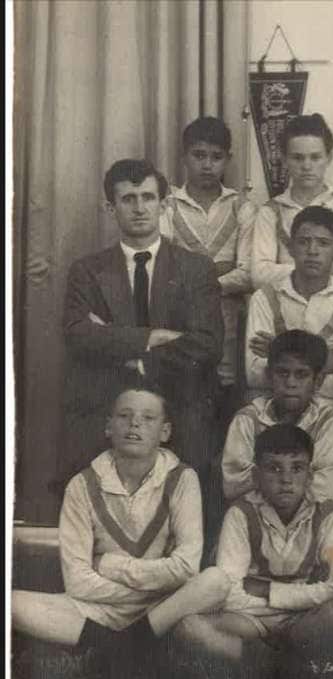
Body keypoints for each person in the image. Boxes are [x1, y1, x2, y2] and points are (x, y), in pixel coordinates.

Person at [13, 387, 221, 667]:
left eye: (148, 418)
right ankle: (131, 645)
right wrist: (146, 588)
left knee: (216, 580)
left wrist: (110, 565)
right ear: (108, 427)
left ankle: (116, 647)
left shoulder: (182, 478)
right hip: (103, 608)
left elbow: (186, 567)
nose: (135, 423)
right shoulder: (82, 485)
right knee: (11, 603)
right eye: (124, 415)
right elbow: (77, 581)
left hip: (162, 607)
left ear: (165, 432)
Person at [60, 159, 223, 509]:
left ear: (164, 205)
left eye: (148, 198)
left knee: (197, 465)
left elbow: (207, 345)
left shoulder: (195, 268)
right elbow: (77, 335)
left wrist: (122, 345)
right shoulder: (88, 271)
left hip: (179, 399)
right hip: (107, 400)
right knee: (81, 461)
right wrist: (150, 339)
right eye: (128, 199)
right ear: (110, 207)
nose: (139, 208)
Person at [177, 424, 333, 677]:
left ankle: (271, 665)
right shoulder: (240, 514)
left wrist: (269, 591)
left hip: (303, 620)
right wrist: (295, 598)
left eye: (297, 468)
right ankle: (281, 665)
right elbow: (229, 591)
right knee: (189, 627)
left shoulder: (328, 515)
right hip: (252, 622)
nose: (286, 480)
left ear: (310, 476)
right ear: (255, 476)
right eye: (274, 468)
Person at [245, 205, 333, 483]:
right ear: (289, 247)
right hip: (273, 405)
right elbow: (254, 373)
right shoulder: (265, 298)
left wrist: (279, 353)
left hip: (332, 408)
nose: (313, 251)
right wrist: (330, 359)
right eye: (304, 241)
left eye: (323, 243)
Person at [160, 116, 257, 423]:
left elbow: (249, 272)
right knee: (183, 392)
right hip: (180, 317)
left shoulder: (242, 207)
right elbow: (164, 271)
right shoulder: (169, 206)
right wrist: (220, 272)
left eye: (216, 157)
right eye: (199, 155)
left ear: (227, 160)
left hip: (228, 319)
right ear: (184, 157)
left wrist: (195, 279)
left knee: (227, 392)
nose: (207, 165)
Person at [223, 330, 333, 504]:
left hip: (308, 521)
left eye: (301, 375)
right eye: (283, 373)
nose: (291, 383)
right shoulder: (248, 420)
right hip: (257, 520)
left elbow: (324, 489)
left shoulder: (328, 423)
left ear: (318, 381)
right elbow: (234, 485)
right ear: (269, 376)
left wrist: (271, 482)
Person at [251, 113, 333, 294]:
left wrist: (284, 269)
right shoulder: (271, 212)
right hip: (282, 310)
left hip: (331, 311)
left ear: (329, 157)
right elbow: (258, 276)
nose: (307, 166)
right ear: (285, 159)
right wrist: (323, 269)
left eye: (315, 157)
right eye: (297, 158)